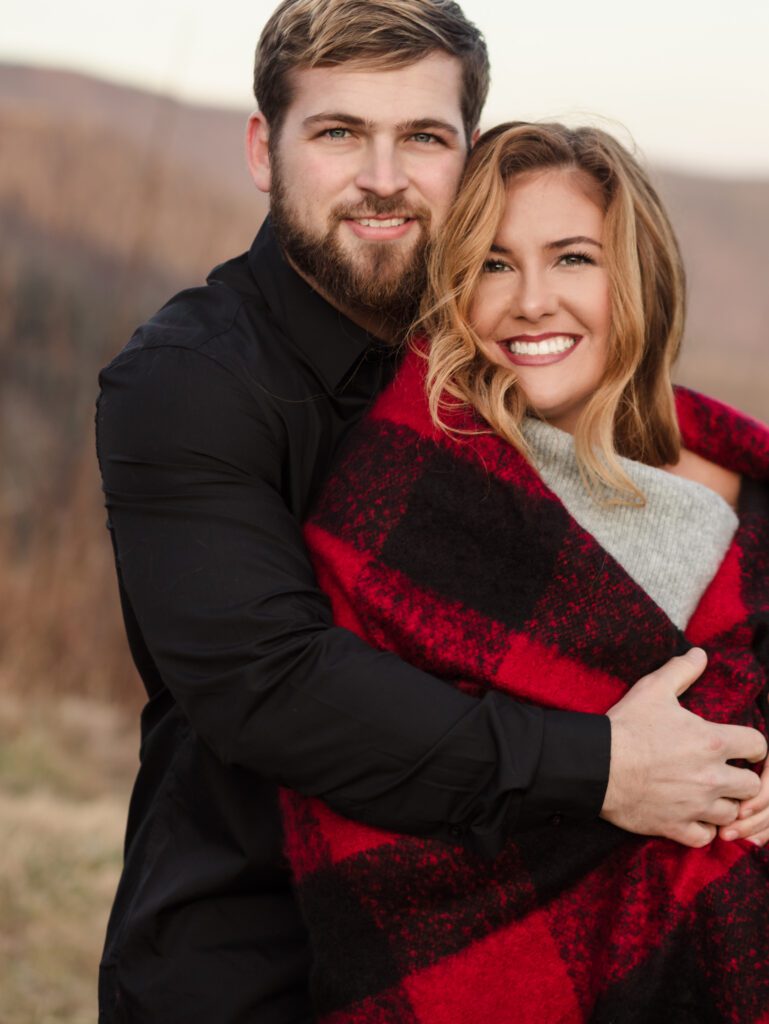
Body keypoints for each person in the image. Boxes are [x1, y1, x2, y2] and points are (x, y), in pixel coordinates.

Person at [94, 2, 766, 1021]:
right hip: (248, 954)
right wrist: (604, 766)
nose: (382, 175)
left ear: (467, 157)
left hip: (519, 937)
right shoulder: (190, 381)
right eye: (337, 132)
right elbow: (271, 682)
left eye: (421, 136)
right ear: (262, 150)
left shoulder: (502, 358)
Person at [281, 120, 769, 1022]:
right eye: (492, 265)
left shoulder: (731, 482)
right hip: (492, 965)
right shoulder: (400, 497)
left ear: (636, 276)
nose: (530, 300)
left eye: (573, 258)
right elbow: (361, 770)